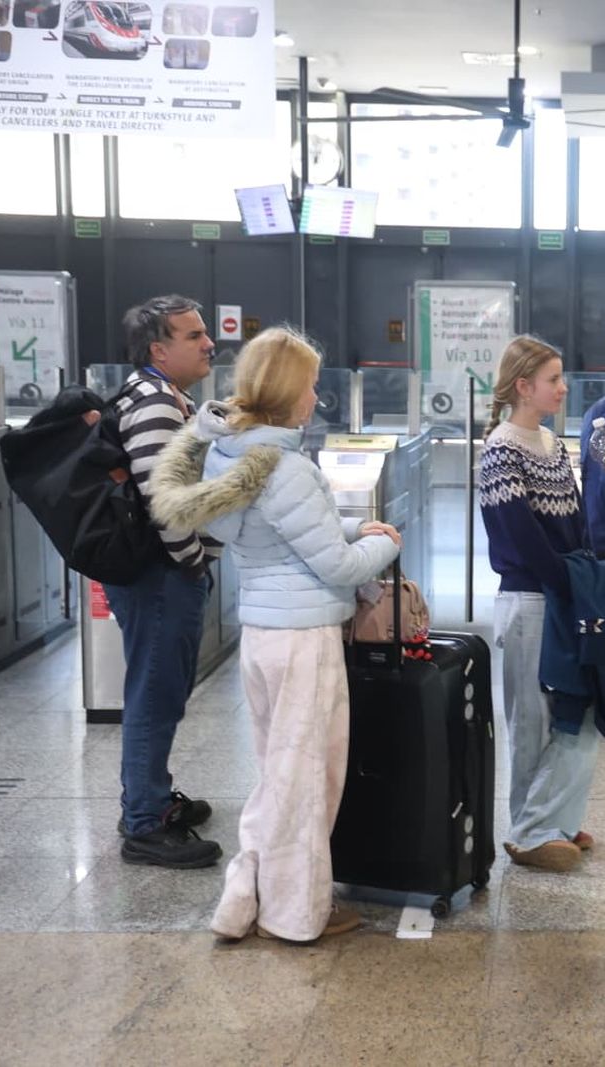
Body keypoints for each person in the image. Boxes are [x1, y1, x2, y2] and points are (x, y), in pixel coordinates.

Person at [149, 326, 401, 942]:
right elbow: (336, 568)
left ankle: (245, 900)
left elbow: (280, 539)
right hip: (304, 641)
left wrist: (346, 531)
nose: (316, 396)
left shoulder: (230, 456)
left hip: (262, 632)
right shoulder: (286, 468)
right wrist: (381, 543)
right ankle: (297, 913)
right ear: (292, 393)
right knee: (307, 779)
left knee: (277, 775)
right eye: (312, 384)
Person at [106, 294, 224, 869]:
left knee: (162, 690)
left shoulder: (168, 397)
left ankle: (151, 798)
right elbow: (165, 502)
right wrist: (194, 563)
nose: (208, 343)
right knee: (154, 695)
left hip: (162, 572)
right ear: (159, 349)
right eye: (193, 335)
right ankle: (145, 824)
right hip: (160, 574)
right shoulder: (154, 402)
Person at [479, 337, 598, 873]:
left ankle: (551, 818)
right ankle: (530, 831)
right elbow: (523, 541)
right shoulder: (502, 449)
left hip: (560, 597)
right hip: (529, 600)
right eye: (553, 379)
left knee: (566, 714)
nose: (563, 387)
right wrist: (571, 581)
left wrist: (585, 571)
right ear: (524, 386)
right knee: (531, 721)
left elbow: (574, 524)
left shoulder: (551, 442)